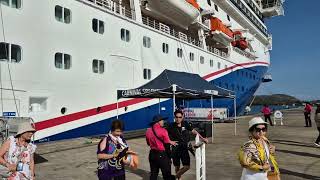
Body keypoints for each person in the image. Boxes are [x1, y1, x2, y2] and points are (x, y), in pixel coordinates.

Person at [167, 110, 208, 180]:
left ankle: (174, 177)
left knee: (187, 166)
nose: (178, 119)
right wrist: (170, 141)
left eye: (180, 117)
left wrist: (203, 138)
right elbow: (164, 135)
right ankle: (178, 179)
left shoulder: (185, 124)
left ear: (182, 117)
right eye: (176, 117)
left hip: (184, 148)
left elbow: (194, 131)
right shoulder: (171, 126)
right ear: (174, 117)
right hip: (175, 149)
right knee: (177, 166)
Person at [146, 114, 177, 180]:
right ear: (158, 121)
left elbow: (148, 143)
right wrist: (169, 157)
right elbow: (167, 145)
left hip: (152, 154)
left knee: (153, 174)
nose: (163, 122)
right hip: (162, 155)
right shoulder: (163, 131)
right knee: (167, 175)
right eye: (162, 120)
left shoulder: (148, 131)